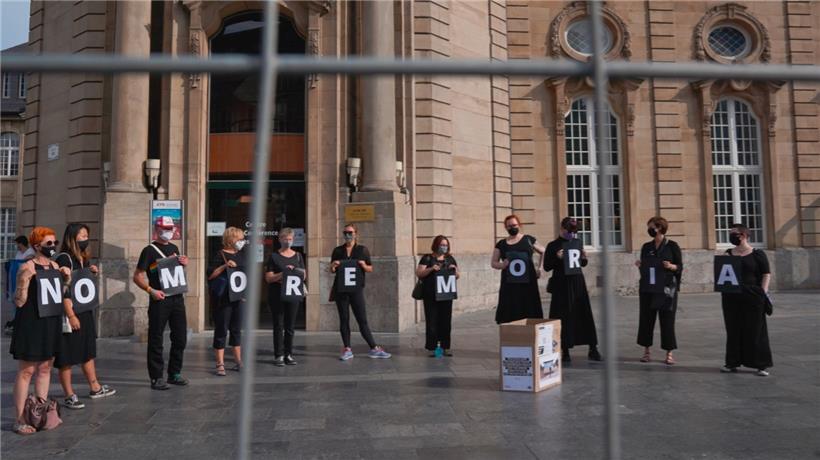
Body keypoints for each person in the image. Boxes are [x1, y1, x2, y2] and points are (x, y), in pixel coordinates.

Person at [9, 227, 68, 435]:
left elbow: (57, 296)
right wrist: (24, 280)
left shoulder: (55, 266)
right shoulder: (27, 266)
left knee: (45, 368)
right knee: (27, 371)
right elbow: (19, 301)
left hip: (50, 322)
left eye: (54, 242)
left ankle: (39, 414)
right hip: (31, 322)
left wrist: (66, 279)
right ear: (37, 246)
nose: (53, 246)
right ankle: (19, 419)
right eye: (48, 243)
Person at [54, 223, 116, 409]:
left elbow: (80, 285)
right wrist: (71, 315)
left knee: (87, 351)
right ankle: (69, 394)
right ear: (72, 237)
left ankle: (95, 387)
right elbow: (64, 290)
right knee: (66, 355)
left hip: (85, 310)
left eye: (86, 235)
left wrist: (91, 272)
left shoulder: (83, 258)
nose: (85, 239)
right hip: (70, 313)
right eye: (81, 235)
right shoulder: (65, 258)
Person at [133, 216, 190, 390]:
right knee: (156, 338)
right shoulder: (149, 250)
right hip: (160, 299)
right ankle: (156, 377)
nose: (169, 231)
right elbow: (137, 276)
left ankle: (174, 373)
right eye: (165, 228)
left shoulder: (174, 248)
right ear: (157, 230)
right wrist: (151, 290)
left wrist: (183, 263)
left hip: (177, 297)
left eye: (171, 228)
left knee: (180, 337)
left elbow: (174, 272)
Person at [543, 217, 602, 363]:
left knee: (584, 314)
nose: (571, 234)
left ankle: (593, 348)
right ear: (562, 228)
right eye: (569, 230)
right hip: (561, 285)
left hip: (577, 283)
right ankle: (565, 350)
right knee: (562, 316)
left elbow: (581, 263)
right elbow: (547, 266)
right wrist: (557, 257)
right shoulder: (553, 245)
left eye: (574, 231)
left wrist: (584, 258)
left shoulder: (577, 242)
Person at [329, 224, 391, 360]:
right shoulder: (338, 250)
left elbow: (370, 268)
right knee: (344, 319)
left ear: (356, 234)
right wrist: (333, 266)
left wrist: (363, 265)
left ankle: (374, 347)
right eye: (345, 232)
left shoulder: (362, 250)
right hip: (341, 289)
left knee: (362, 319)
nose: (347, 235)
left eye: (350, 232)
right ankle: (347, 349)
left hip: (356, 289)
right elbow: (332, 269)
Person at [720, 223, 773, 376]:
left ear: (743, 235)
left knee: (756, 330)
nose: (731, 236)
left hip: (753, 295)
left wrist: (763, 292)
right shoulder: (728, 253)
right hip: (731, 297)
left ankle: (760, 365)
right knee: (733, 329)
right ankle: (732, 362)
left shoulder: (758, 254)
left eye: (733, 233)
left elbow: (766, 274)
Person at [634, 217, 682, 365]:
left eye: (651, 227)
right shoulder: (646, 246)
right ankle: (646, 351)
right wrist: (640, 265)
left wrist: (671, 266)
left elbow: (679, 266)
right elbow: (645, 268)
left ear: (659, 227)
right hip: (648, 288)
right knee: (646, 320)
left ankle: (669, 352)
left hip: (666, 289)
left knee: (667, 320)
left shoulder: (672, 246)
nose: (649, 230)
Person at [490, 215, 544, 324]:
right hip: (510, 285)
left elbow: (544, 251)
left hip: (528, 284)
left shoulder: (528, 239)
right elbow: (493, 263)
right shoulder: (501, 244)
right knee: (511, 312)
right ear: (506, 227)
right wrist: (502, 265)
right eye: (509, 226)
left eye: (514, 225)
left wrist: (540, 268)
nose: (512, 228)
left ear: (519, 225)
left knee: (529, 311)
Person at [206, 226, 245, 376]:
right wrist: (224, 265)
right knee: (221, 329)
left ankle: (238, 361)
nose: (242, 242)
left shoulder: (242, 255)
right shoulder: (220, 254)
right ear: (231, 239)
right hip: (223, 298)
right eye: (240, 239)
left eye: (242, 239)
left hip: (238, 298)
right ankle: (220, 363)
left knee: (236, 330)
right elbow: (210, 275)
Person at [265, 227, 305, 366]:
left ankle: (289, 354)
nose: (288, 241)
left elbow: (304, 275)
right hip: (277, 294)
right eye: (285, 239)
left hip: (293, 294)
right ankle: (279, 355)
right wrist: (283, 274)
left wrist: (295, 271)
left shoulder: (298, 256)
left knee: (290, 326)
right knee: (278, 325)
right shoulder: (274, 256)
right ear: (280, 239)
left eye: (290, 239)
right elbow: (268, 278)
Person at [416, 235, 459, 356]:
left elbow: (458, 275)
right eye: (442, 245)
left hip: (446, 294)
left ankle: (445, 346)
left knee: (446, 321)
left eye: (446, 245)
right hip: (431, 295)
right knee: (432, 321)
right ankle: (432, 347)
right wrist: (431, 269)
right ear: (436, 245)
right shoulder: (427, 258)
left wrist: (454, 270)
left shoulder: (450, 259)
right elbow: (419, 273)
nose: (444, 247)